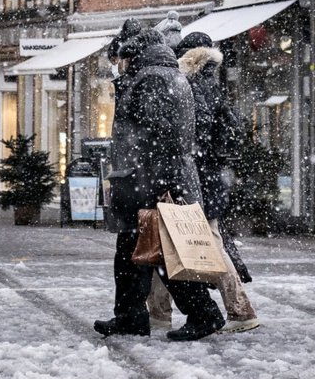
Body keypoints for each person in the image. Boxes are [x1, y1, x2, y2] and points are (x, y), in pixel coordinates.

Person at [94, 27, 225, 342]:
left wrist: (153, 181)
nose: (118, 66)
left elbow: (157, 134)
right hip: (156, 176)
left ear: (134, 55)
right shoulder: (169, 74)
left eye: (122, 58)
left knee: (163, 251)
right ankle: (131, 316)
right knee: (138, 251)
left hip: (149, 178)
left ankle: (202, 313)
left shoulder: (153, 79)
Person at [148, 31, 259, 334]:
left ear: (185, 57)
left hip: (196, 178)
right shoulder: (212, 85)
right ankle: (159, 311)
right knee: (172, 242)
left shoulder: (191, 85)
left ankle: (239, 310)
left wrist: (188, 161)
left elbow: (192, 135)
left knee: (200, 245)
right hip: (207, 177)